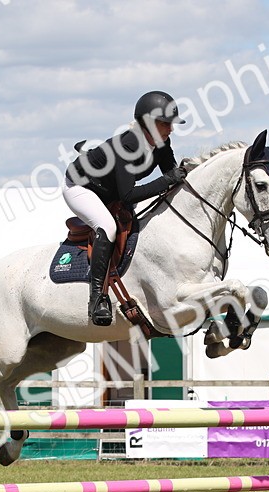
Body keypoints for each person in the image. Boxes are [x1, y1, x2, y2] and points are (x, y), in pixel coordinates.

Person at [64, 91, 187, 326]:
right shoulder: (128, 147)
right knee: (108, 227)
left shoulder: (162, 142)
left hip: (109, 190)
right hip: (80, 187)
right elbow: (129, 194)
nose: (171, 129)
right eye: (165, 123)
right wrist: (167, 180)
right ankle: (97, 299)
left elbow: (171, 175)